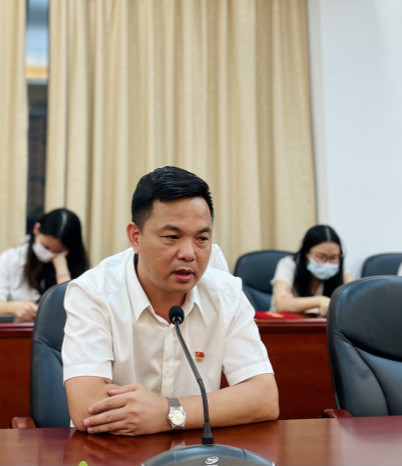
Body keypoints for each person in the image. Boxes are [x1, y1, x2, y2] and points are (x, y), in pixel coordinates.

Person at [62, 166, 279, 436]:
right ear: (135, 237)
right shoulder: (93, 293)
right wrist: (198, 410)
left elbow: (264, 397)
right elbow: (88, 407)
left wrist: (168, 412)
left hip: (194, 451)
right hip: (111, 450)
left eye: (202, 239)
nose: (189, 253)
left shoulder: (227, 293)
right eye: (172, 237)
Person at [0, 208, 88, 321]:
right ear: (36, 229)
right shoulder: (11, 258)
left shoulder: (78, 268)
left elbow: (75, 310)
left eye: (57, 251)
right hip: (18, 329)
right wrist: (12, 307)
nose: (50, 253)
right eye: (46, 247)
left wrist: (62, 269)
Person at [270, 224, 352, 315]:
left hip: (323, 323)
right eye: (321, 257)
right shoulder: (288, 264)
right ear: (306, 254)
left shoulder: (341, 266)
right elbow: (282, 304)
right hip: (286, 321)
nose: (327, 262)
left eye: (333, 257)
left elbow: (353, 297)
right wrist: (320, 300)